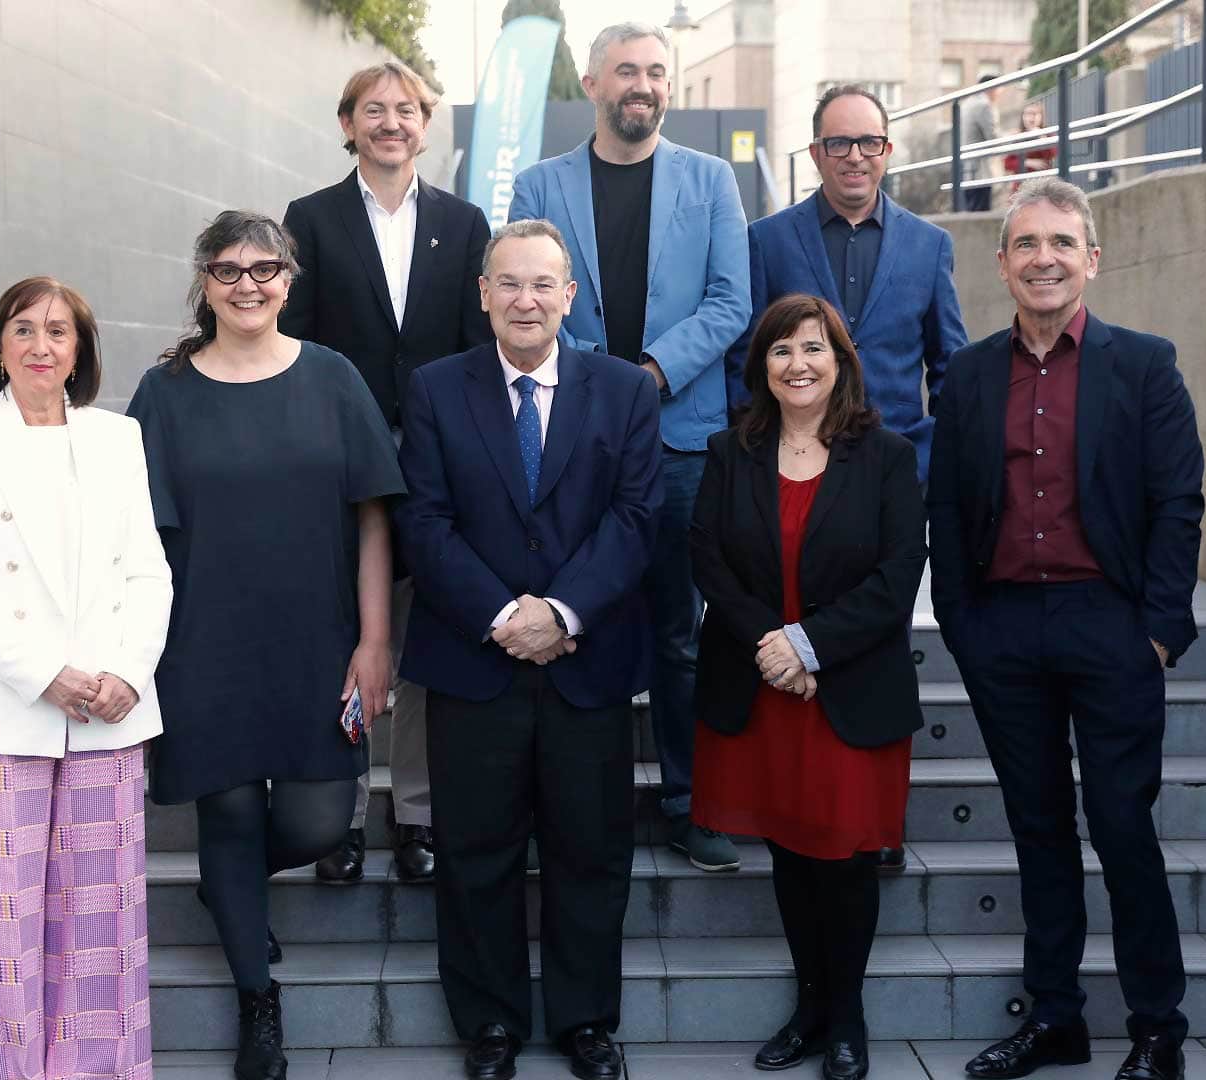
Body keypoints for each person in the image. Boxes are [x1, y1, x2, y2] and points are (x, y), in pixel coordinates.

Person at [928, 179, 1203, 1080]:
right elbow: (949, 507)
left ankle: (1157, 1026)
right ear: (1002, 262)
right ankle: (1056, 1019)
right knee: (1037, 827)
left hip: (1110, 626)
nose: (1043, 258)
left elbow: (1178, 504)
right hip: (1003, 627)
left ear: (1092, 259)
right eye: (1026, 244)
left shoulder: (1144, 365)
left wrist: (1157, 631)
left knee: (1121, 824)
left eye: (1061, 243)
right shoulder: (967, 376)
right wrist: (965, 629)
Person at [126, 211, 404, 1080]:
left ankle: (231, 883)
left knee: (321, 817)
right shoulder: (165, 392)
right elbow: (134, 536)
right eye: (227, 268)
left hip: (316, 638)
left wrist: (374, 641)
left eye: (265, 268)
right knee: (232, 811)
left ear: (290, 278)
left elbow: (371, 518)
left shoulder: (332, 378)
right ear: (203, 282)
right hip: (202, 640)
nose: (248, 283)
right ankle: (259, 1003)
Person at [396, 219, 661, 1080]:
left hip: (587, 662)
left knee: (591, 849)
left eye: (543, 284)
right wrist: (507, 612)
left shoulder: (624, 391)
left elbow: (635, 519)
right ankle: (492, 1026)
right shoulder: (436, 389)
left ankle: (586, 1021)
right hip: (476, 661)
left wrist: (565, 613)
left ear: (570, 296)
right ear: (483, 294)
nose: (526, 299)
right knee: (478, 850)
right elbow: (424, 522)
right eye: (509, 283)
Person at [508, 21, 751, 873]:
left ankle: (692, 802)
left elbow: (730, 303)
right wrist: (595, 388)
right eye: (625, 71)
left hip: (683, 439)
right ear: (592, 80)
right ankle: (583, 807)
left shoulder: (712, 179)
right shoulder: (542, 183)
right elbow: (528, 302)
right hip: (572, 440)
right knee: (584, 620)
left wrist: (647, 374)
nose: (641, 85)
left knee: (683, 631)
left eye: (655, 71)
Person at [0, 276, 172, 1079]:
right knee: (5, 918)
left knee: (103, 914)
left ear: (80, 352)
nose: (40, 345)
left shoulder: (116, 439)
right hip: (3, 705)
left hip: (108, 706)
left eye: (58, 332)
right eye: (23, 329)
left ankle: (101, 1068)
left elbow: (149, 572)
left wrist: (127, 672)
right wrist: (48, 676)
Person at [691, 294, 926, 1080]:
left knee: (848, 855)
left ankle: (848, 1015)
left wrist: (809, 644)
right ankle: (810, 1006)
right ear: (762, 365)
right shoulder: (732, 451)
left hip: (847, 688)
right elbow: (708, 559)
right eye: (782, 349)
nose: (799, 364)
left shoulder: (886, 455)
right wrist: (771, 642)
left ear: (842, 362)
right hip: (762, 686)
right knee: (791, 852)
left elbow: (898, 577)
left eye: (814, 349)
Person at [280, 59, 494, 886]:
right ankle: (336, 817)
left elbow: (478, 351)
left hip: (437, 466)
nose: (391, 122)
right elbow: (293, 343)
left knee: (420, 649)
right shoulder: (311, 218)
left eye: (406, 109)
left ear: (426, 127)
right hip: (340, 461)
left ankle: (416, 816)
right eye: (374, 110)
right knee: (345, 639)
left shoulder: (465, 221)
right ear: (347, 125)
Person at [733, 83, 967, 487]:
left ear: (887, 152)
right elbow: (743, 360)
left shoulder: (930, 246)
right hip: (793, 471)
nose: (855, 156)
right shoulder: (767, 241)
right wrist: (757, 451)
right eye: (839, 143)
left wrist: (931, 456)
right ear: (816, 153)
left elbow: (951, 366)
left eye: (869, 142)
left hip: (899, 470)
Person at [961, 74, 1003, 211]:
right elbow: (993, 136)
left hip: (968, 167)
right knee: (981, 209)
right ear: (991, 89)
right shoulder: (984, 106)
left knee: (971, 209)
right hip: (980, 168)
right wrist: (1011, 136)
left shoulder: (967, 103)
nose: (999, 95)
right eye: (998, 90)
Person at [1002, 101, 1058, 194]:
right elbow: (1007, 164)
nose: (1031, 118)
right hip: (1022, 185)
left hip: (1042, 183)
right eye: (1028, 114)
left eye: (1035, 114)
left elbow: (1052, 154)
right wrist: (1027, 162)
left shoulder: (1047, 134)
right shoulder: (1018, 136)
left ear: (1041, 117)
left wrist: (1041, 137)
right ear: (1023, 117)